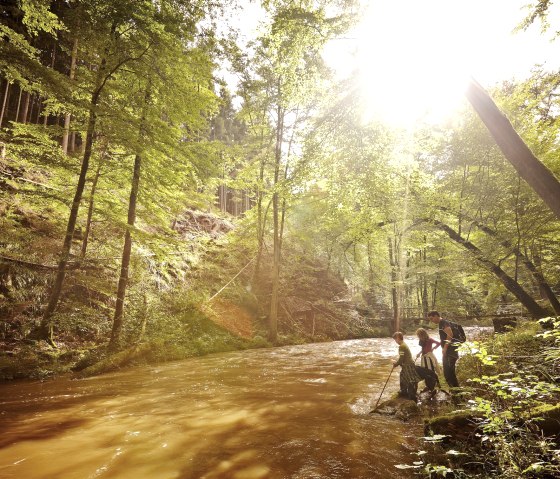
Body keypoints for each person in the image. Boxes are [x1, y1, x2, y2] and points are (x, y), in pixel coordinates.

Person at [427, 310, 459, 388]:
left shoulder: (443, 323)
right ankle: (456, 393)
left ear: (436, 316)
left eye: (432, 318)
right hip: (451, 352)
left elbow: (450, 334)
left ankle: (456, 394)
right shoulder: (443, 323)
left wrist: (445, 348)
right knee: (450, 374)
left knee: (448, 374)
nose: (432, 321)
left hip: (450, 352)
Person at [392, 331, 421, 401]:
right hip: (409, 364)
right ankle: (404, 391)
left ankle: (411, 395)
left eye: (395, 339)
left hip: (408, 365)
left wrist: (395, 364)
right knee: (403, 376)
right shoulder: (404, 344)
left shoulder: (401, 346)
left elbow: (401, 359)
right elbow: (403, 357)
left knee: (410, 379)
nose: (395, 341)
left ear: (398, 338)